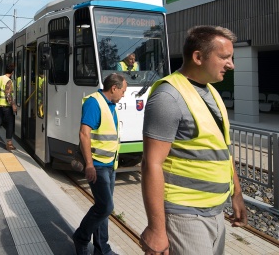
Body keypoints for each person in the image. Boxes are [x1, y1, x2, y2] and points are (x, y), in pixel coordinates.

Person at [140, 25, 247, 255]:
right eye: (224, 57)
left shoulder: (212, 92)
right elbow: (151, 164)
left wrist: (236, 195)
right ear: (198, 57)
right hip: (185, 215)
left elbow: (222, 151)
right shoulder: (168, 97)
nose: (231, 64)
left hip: (215, 210)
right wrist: (156, 229)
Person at [72, 73, 127, 255]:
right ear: (114, 88)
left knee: (103, 208)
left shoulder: (111, 105)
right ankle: (81, 237)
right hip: (97, 165)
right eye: (123, 91)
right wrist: (89, 164)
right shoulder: (94, 103)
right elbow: (84, 134)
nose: (124, 95)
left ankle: (102, 249)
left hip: (110, 164)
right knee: (105, 207)